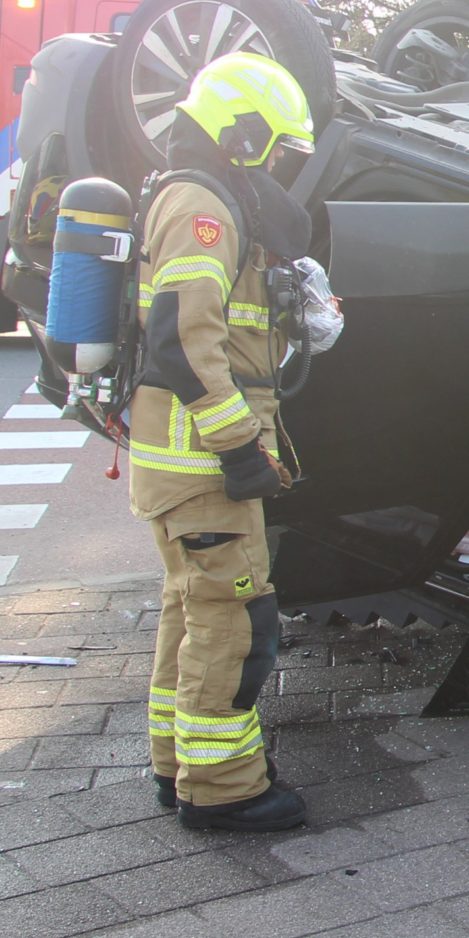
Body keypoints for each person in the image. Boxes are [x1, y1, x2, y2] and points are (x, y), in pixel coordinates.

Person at [132, 52, 318, 833]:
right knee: (238, 619)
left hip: (180, 461)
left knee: (195, 609)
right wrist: (240, 443)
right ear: (241, 134)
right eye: (276, 148)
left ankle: (182, 768)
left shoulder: (194, 197)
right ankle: (227, 789)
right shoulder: (202, 207)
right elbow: (182, 338)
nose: (279, 167)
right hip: (201, 459)